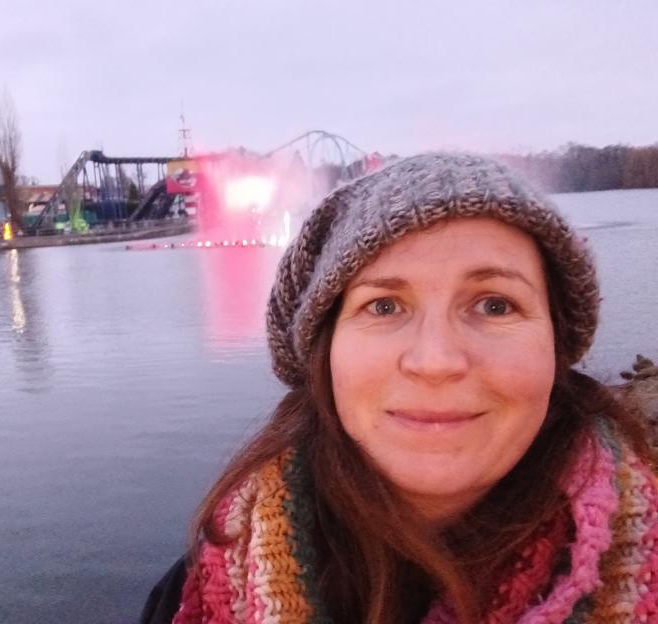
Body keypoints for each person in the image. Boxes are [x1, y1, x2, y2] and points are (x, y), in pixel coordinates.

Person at [140, 153, 658, 624]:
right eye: (384, 306)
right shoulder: (193, 591)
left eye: (495, 304)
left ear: (556, 345)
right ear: (324, 353)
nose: (436, 362)